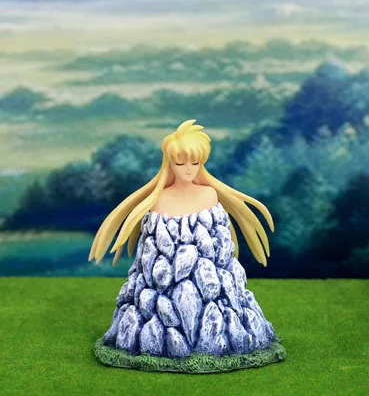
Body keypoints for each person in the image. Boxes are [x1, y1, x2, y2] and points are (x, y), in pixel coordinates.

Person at [89, 119, 285, 371]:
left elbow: (220, 245)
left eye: (196, 163)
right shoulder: (158, 199)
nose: (189, 169)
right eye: (181, 163)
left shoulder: (209, 195)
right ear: (169, 163)